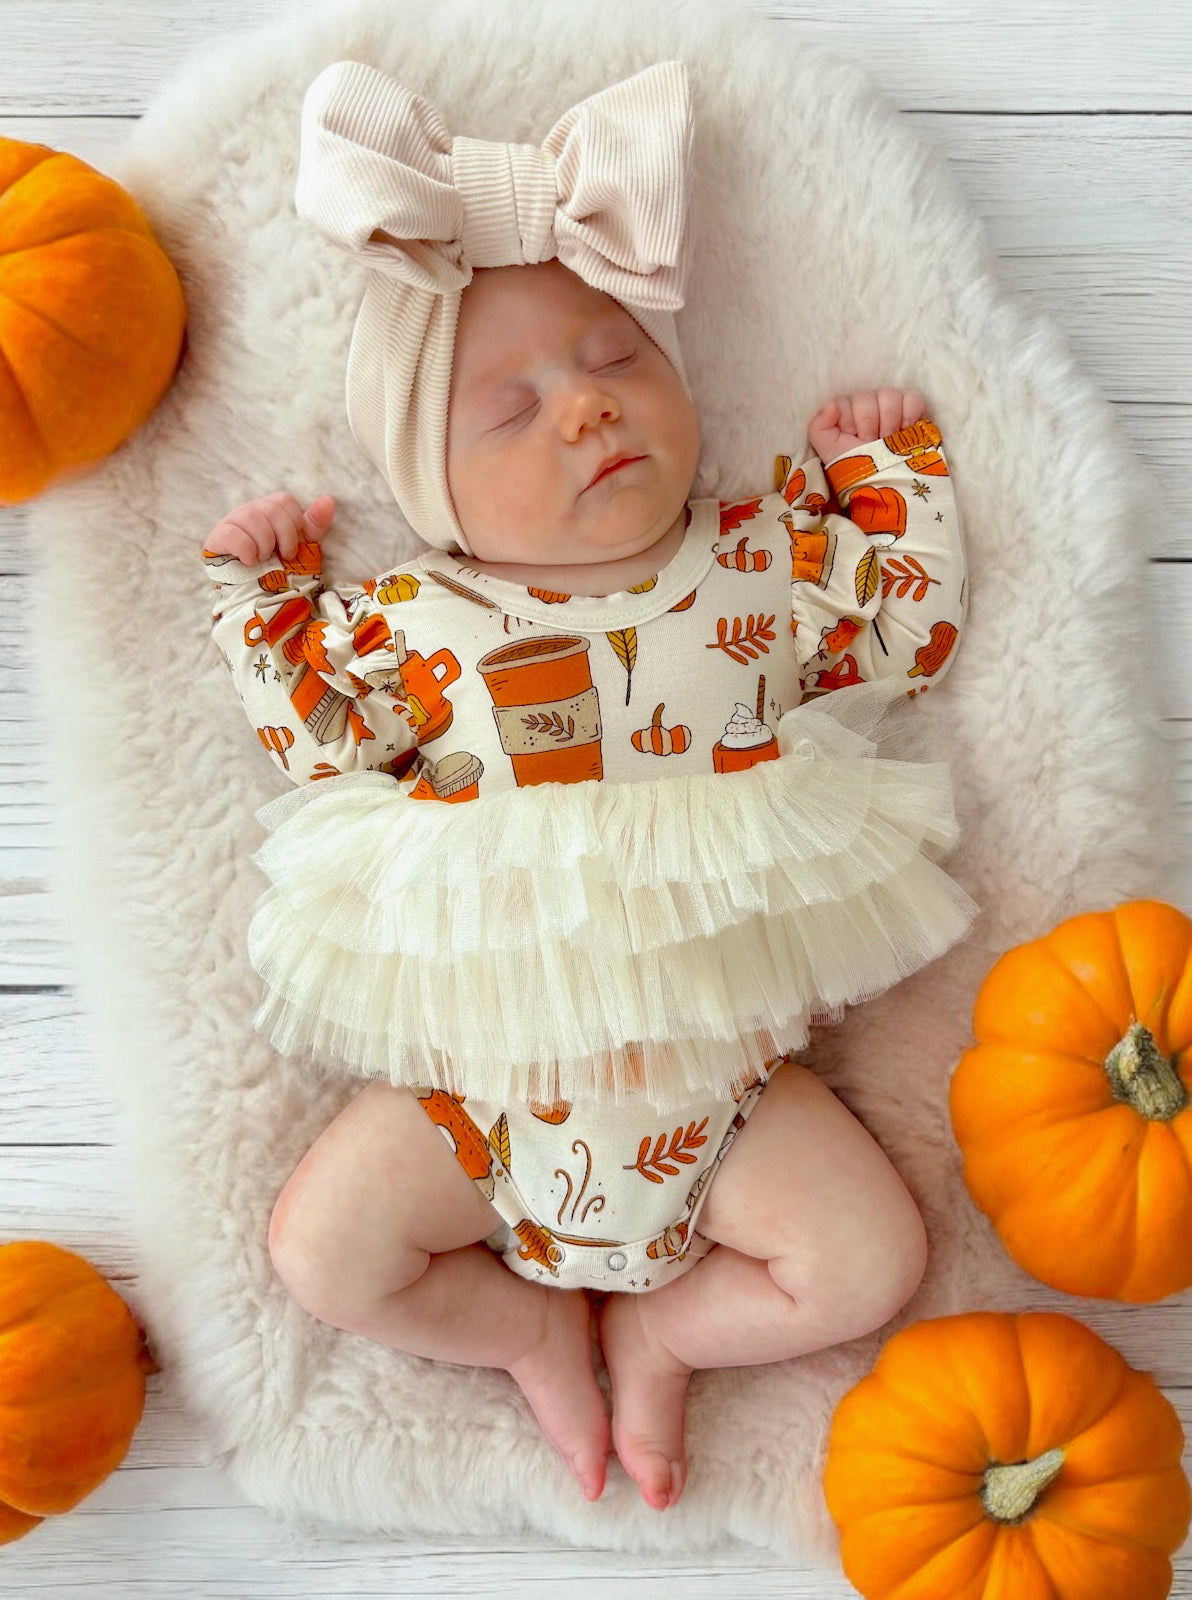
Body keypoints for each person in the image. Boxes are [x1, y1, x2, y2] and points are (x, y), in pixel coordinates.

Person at [200, 58, 976, 1513]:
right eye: (510, 411)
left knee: (871, 1261)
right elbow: (315, 737)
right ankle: (531, 1334)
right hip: (469, 1107)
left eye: (619, 358)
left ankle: (675, 1336)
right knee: (322, 1254)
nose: (585, 410)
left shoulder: (752, 562)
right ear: (430, 494)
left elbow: (902, 635)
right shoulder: (419, 620)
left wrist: (882, 476)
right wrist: (267, 598)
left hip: (728, 1099)